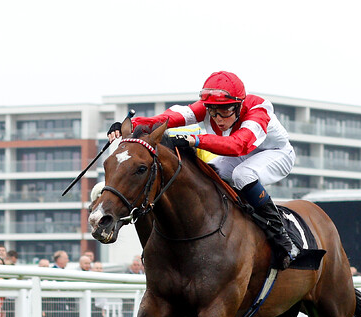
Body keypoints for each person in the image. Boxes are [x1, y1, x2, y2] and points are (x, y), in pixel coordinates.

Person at [109, 71, 298, 269]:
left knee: (243, 175)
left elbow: (238, 145)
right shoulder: (210, 109)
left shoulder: (258, 110)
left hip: (276, 153)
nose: (217, 118)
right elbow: (168, 118)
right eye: (212, 111)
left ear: (239, 105)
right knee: (211, 173)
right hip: (242, 155)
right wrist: (134, 124)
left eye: (224, 111)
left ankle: (281, 237)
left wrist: (195, 140)